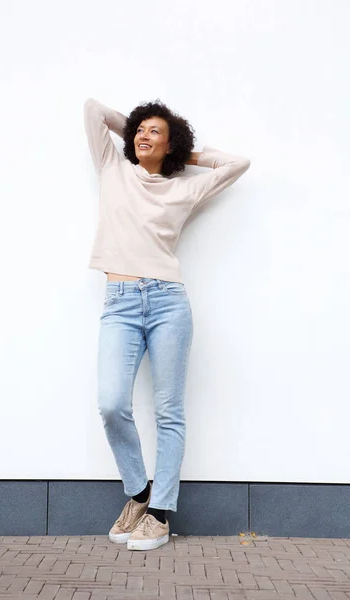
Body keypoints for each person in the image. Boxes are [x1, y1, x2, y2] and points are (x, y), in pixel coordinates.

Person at [83, 97, 250, 551]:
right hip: (118, 302)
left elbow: (238, 163)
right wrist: (136, 130)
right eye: (139, 130)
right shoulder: (112, 170)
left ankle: (160, 513)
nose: (142, 136)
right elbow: (93, 109)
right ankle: (140, 493)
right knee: (111, 402)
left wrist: (182, 155)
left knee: (168, 412)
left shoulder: (184, 189)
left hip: (167, 303)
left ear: (170, 144)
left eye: (155, 132)